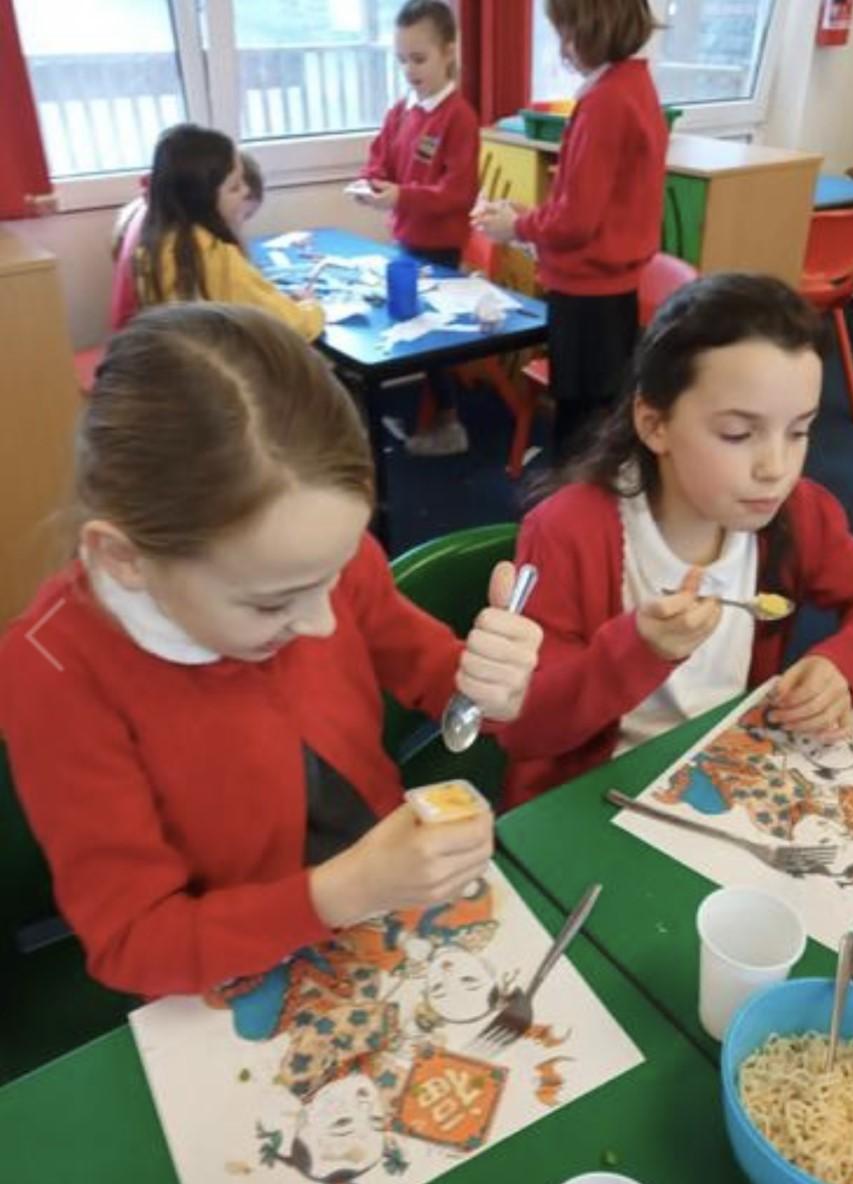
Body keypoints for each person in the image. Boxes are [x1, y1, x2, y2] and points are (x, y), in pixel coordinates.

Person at [0, 303, 542, 997]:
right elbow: (135, 941)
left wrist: (489, 685)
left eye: (336, 572)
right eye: (271, 603)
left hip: (384, 885)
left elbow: (434, 673)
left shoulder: (305, 552)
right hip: (232, 961)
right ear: (125, 559)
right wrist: (343, 891)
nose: (320, 623)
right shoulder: (55, 673)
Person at [498, 273, 853, 807]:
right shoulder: (568, 532)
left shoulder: (797, 513)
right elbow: (524, 727)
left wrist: (843, 665)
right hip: (589, 800)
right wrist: (637, 651)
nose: (776, 468)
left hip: (720, 779)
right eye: (737, 434)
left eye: (799, 432)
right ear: (655, 424)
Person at [474, 0, 668, 460]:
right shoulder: (633, 85)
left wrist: (517, 226)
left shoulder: (605, 102)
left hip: (587, 292)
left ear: (594, 28)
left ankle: (574, 493)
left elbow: (577, 222)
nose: (562, 48)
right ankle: (588, 485)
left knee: (579, 419)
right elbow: (592, 205)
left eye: (566, 33)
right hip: (610, 286)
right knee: (599, 410)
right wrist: (529, 216)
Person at [356, 0, 479, 457]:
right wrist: (370, 184)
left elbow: (457, 193)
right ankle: (425, 412)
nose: (409, 70)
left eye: (419, 59)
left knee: (430, 336)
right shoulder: (401, 112)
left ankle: (450, 421)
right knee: (407, 323)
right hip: (406, 238)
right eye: (402, 60)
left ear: (448, 52)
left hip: (441, 246)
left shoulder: (459, 117)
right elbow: (380, 161)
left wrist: (402, 196)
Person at [135, 124, 322, 341]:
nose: (245, 190)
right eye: (234, 187)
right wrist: (312, 307)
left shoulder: (154, 244)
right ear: (201, 198)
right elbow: (287, 327)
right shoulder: (214, 255)